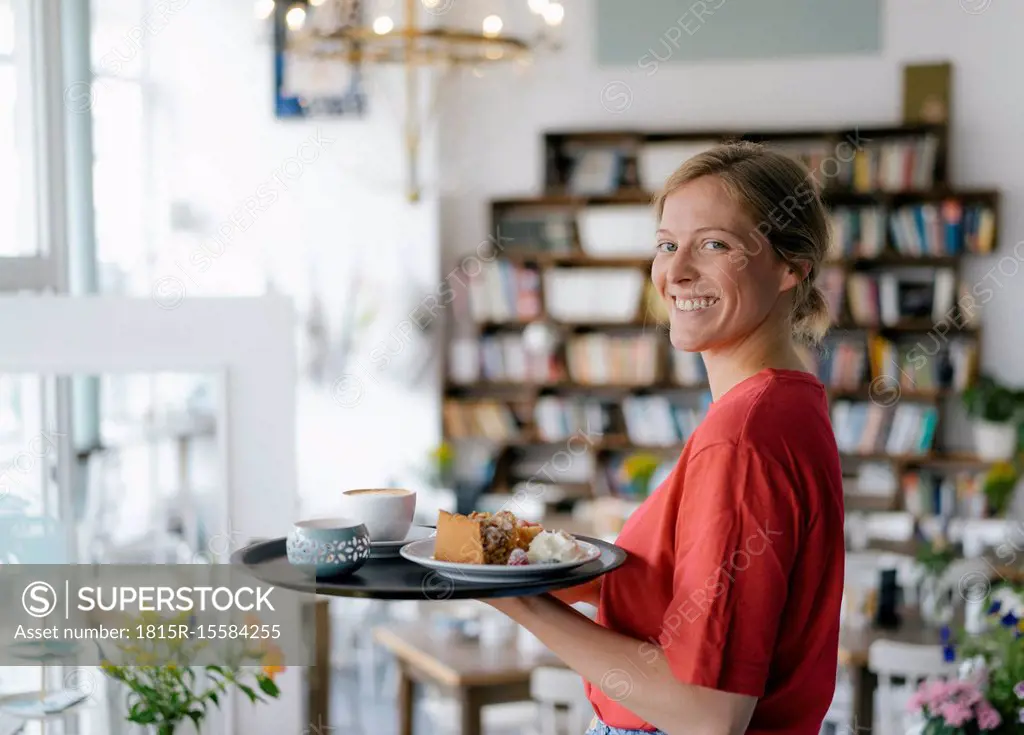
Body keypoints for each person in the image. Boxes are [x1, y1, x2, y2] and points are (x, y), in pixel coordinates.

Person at [487, 142, 845, 735]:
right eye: (666, 244)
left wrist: (516, 600)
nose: (674, 273)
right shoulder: (788, 405)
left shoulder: (743, 436)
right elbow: (682, 605)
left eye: (715, 244)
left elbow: (709, 711)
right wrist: (533, 557)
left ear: (791, 267)